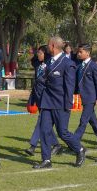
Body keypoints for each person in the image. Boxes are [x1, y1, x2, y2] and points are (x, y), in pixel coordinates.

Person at [33, 36, 85, 169]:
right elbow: (44, 79)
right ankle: (46, 160)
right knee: (45, 131)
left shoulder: (67, 63)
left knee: (62, 132)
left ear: (53, 46)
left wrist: (68, 104)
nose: (47, 47)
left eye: (49, 45)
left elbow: (69, 86)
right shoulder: (49, 61)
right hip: (47, 101)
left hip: (61, 102)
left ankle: (79, 149)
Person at [24, 45, 57, 157]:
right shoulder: (38, 63)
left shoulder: (51, 65)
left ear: (46, 54)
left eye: (40, 53)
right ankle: (56, 144)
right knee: (45, 122)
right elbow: (33, 59)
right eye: (38, 53)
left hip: (46, 96)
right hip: (37, 95)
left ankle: (32, 146)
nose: (38, 54)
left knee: (41, 121)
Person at [72, 44, 97, 145]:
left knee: (83, 120)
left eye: (81, 52)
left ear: (87, 53)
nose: (79, 53)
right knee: (92, 120)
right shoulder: (79, 65)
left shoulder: (94, 66)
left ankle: (74, 141)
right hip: (81, 97)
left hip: (90, 97)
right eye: (78, 51)